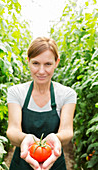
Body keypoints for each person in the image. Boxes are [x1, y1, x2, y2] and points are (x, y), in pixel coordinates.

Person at [6, 37, 77, 170]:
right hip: (22, 161)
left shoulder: (67, 94)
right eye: (36, 63)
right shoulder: (16, 92)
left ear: (57, 63)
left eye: (48, 64)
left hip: (55, 161)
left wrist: (56, 138)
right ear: (28, 61)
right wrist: (26, 139)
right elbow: (12, 130)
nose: (41, 71)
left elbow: (67, 131)